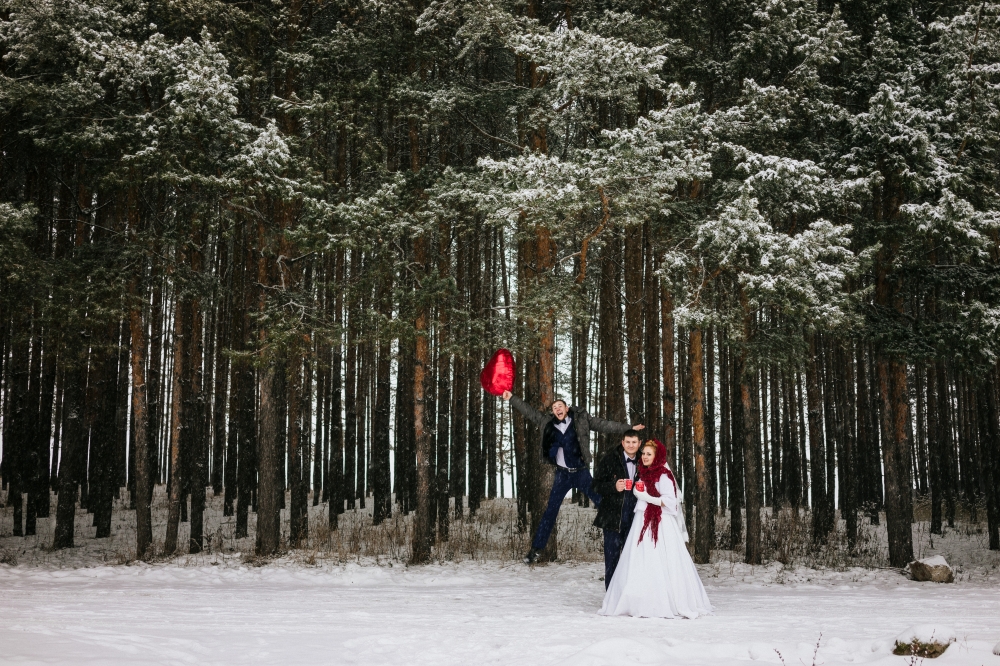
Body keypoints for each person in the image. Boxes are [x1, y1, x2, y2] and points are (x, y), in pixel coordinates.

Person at [501, 390, 643, 564]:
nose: (557, 409)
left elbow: (603, 424)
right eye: (554, 407)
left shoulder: (581, 420)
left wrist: (628, 428)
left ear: (566, 408)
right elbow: (529, 411)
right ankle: (536, 549)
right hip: (562, 475)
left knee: (605, 504)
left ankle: (627, 539)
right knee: (550, 511)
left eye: (560, 406)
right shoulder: (547, 422)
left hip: (582, 473)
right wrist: (512, 398)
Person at [599, 439, 713, 619]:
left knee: (660, 561)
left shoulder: (664, 475)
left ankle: (662, 600)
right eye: (643, 453)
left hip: (660, 525)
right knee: (639, 561)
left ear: (657, 456)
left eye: (648, 454)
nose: (644, 457)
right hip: (641, 521)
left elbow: (670, 503)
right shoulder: (642, 473)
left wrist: (646, 496)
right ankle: (637, 598)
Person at [592, 429, 643, 589]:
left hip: (636, 518)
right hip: (612, 518)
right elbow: (595, 486)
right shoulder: (610, 459)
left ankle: (629, 597)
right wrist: (613, 486)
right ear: (622, 442)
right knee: (612, 560)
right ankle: (611, 598)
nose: (631, 445)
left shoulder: (645, 460)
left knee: (633, 560)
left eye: (634, 442)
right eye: (627, 442)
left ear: (639, 443)